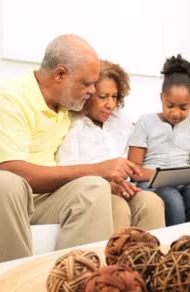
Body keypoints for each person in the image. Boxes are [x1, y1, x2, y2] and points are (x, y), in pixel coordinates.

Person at [0, 34, 140, 266]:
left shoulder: (67, 107)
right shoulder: (7, 97)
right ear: (60, 74)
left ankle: (75, 287)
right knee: (5, 182)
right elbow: (15, 172)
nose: (92, 91)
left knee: (93, 186)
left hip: (35, 201)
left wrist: (105, 176)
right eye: (87, 83)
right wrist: (97, 169)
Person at [57, 59, 165, 231]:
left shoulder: (121, 121)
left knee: (152, 202)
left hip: (126, 189)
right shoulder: (73, 125)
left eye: (114, 97)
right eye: (103, 97)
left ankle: (150, 257)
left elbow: (134, 160)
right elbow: (67, 172)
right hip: (93, 192)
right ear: (87, 94)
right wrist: (107, 185)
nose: (111, 104)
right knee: (118, 208)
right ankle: (114, 257)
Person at [128, 55, 190, 226]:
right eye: (170, 105)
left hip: (183, 182)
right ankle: (174, 248)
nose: (175, 113)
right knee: (172, 200)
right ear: (161, 97)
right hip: (150, 182)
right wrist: (161, 177)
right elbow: (133, 169)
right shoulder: (145, 121)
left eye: (183, 108)